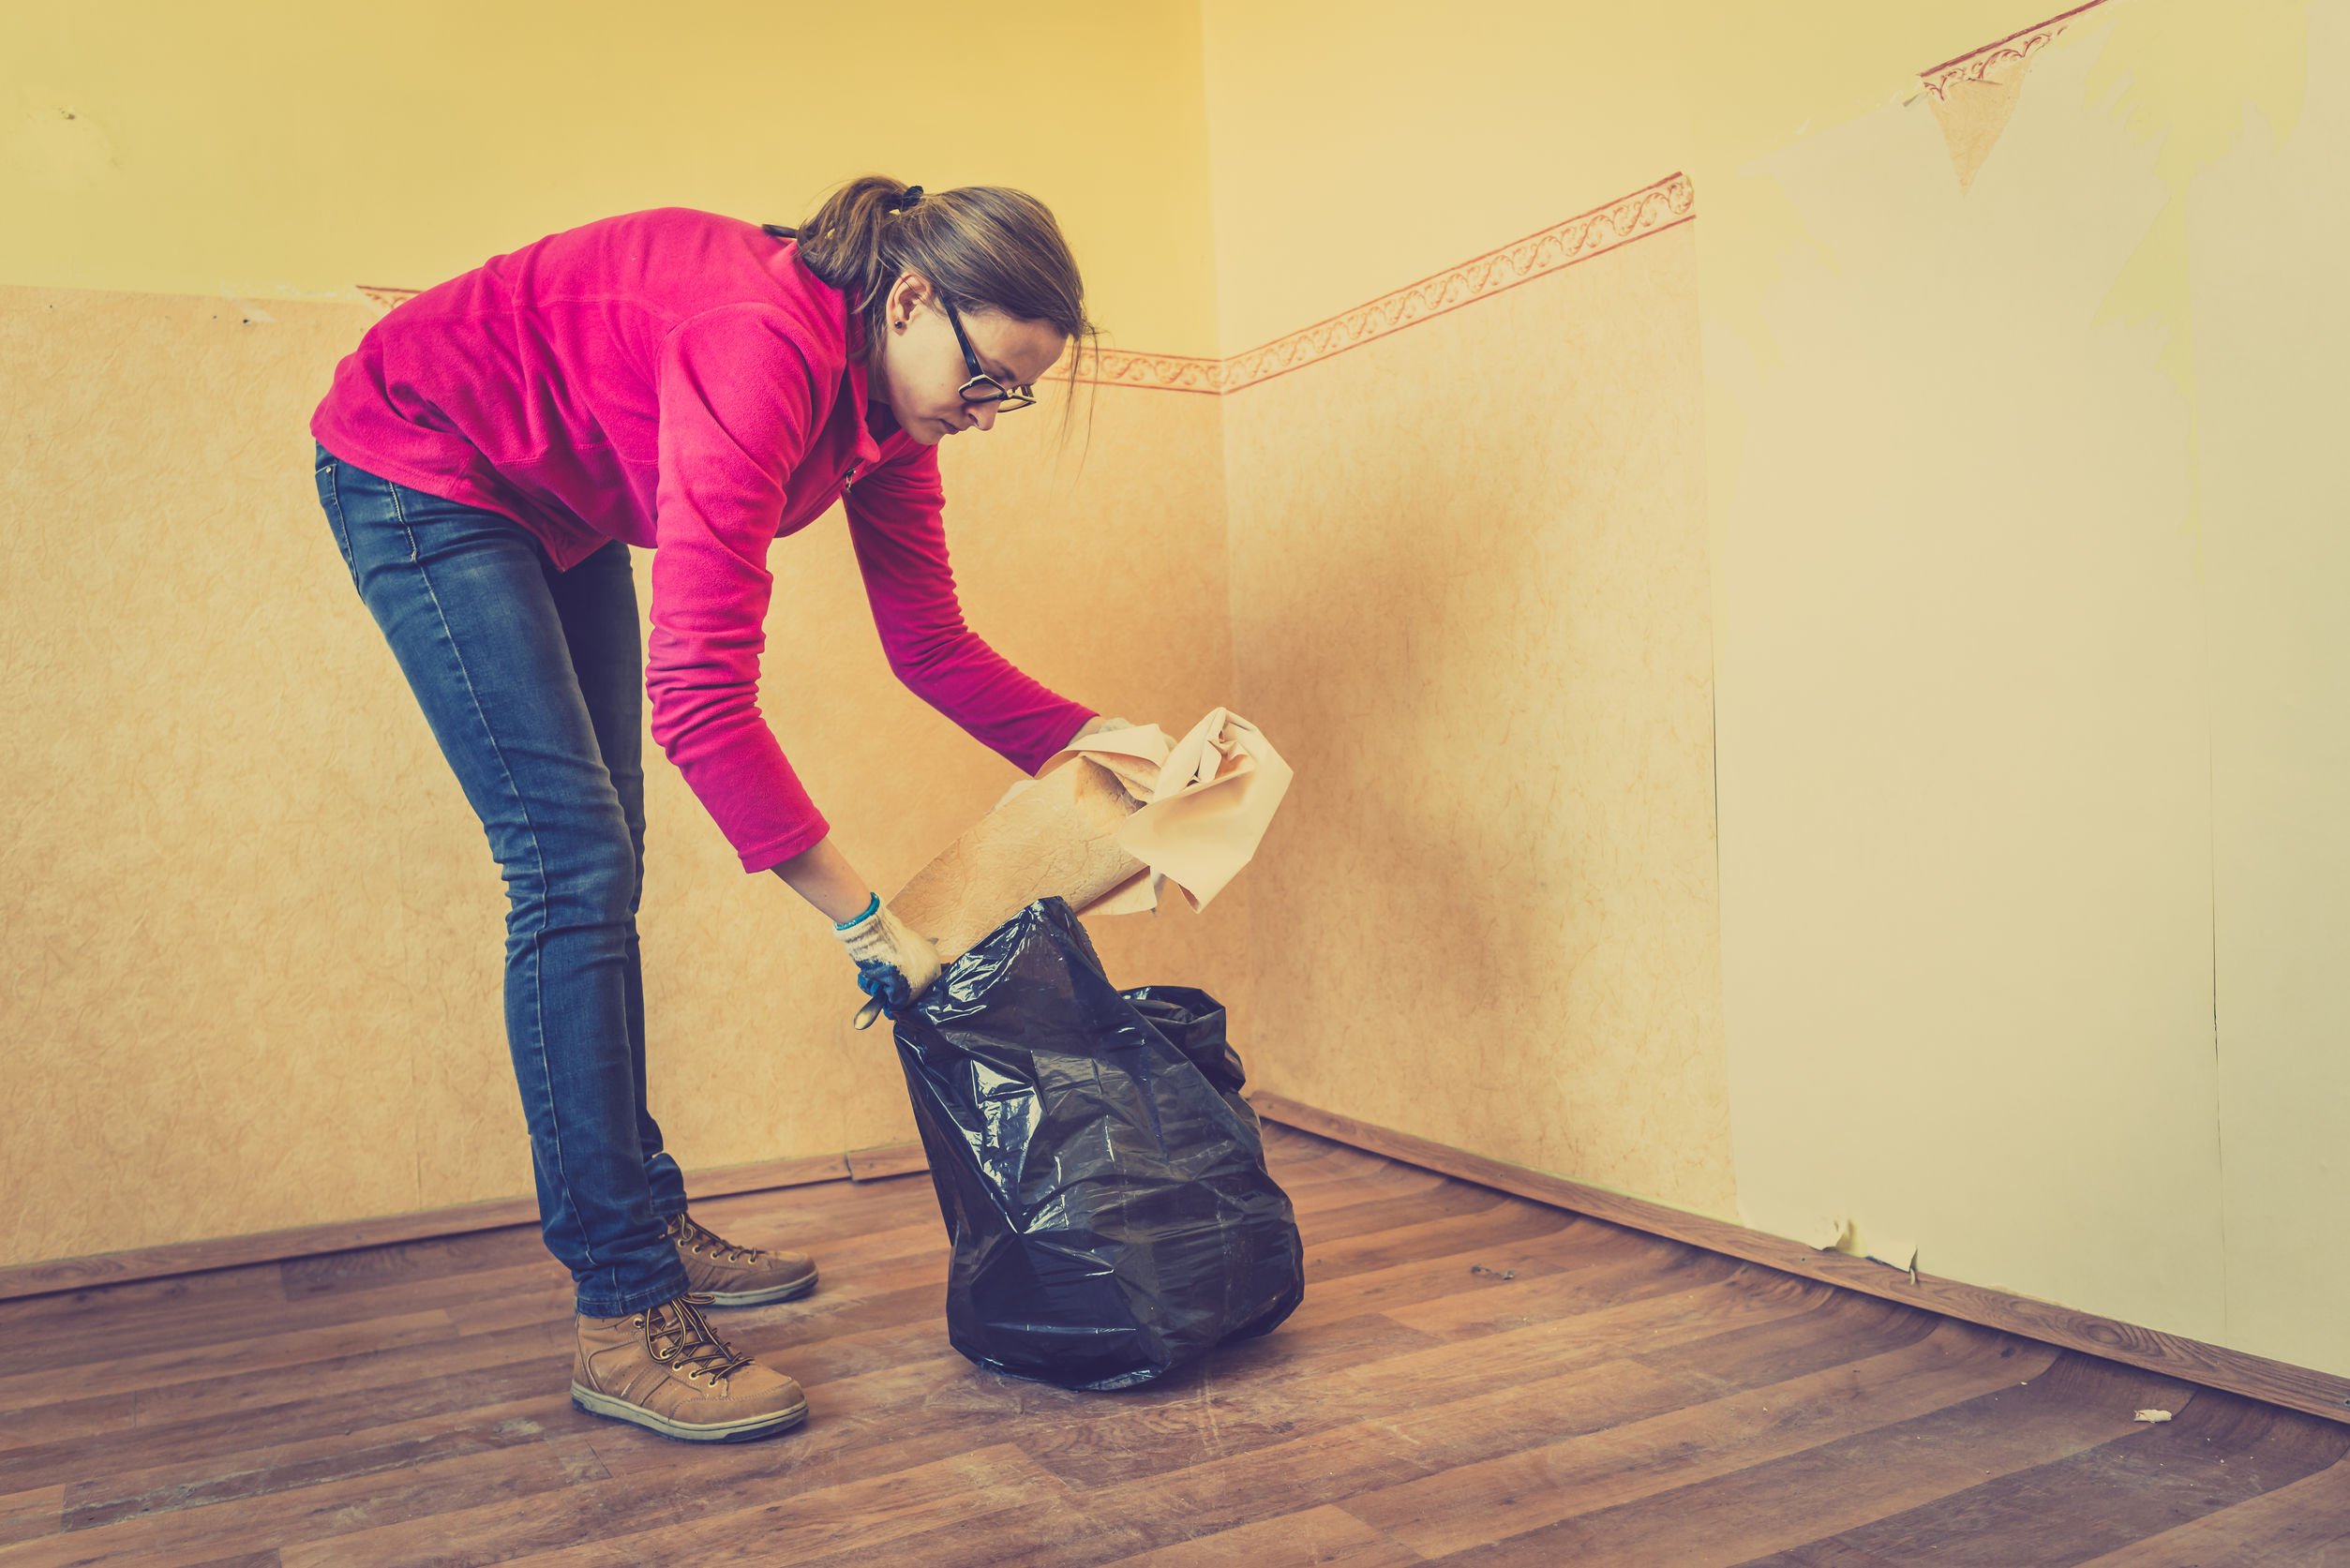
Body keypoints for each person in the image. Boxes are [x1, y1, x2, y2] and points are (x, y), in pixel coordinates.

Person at [308, 176, 1148, 1443]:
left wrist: (1109, 745)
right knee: (572, 866)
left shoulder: (889, 406)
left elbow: (928, 644)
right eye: (986, 382)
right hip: (424, 463)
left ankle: (638, 1213)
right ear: (912, 299)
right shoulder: (759, 343)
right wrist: (869, 921)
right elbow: (701, 697)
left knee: (606, 855)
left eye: (1010, 397)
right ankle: (621, 1306)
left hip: (554, 504)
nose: (988, 417)